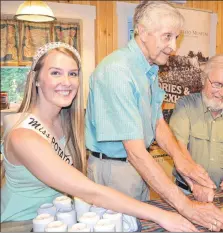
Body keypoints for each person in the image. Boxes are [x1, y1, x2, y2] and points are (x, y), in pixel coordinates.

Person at [0, 42, 198, 232]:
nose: (66, 82)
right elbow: (89, 191)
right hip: (22, 223)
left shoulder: (65, 122)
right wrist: (162, 215)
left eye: (73, 74)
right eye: (55, 73)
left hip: (59, 219)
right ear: (35, 79)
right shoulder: (24, 137)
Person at [85, 1, 223, 231]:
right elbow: (135, 152)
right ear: (142, 32)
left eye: (176, 37)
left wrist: (186, 165)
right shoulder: (118, 71)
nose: (173, 46)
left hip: (136, 167)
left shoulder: (149, 68)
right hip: (115, 170)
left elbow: (157, 122)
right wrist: (187, 208)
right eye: (167, 37)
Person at [169, 55, 223, 202]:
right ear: (204, 79)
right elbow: (178, 146)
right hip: (188, 193)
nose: (222, 93)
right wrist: (197, 181)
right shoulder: (185, 106)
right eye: (217, 84)